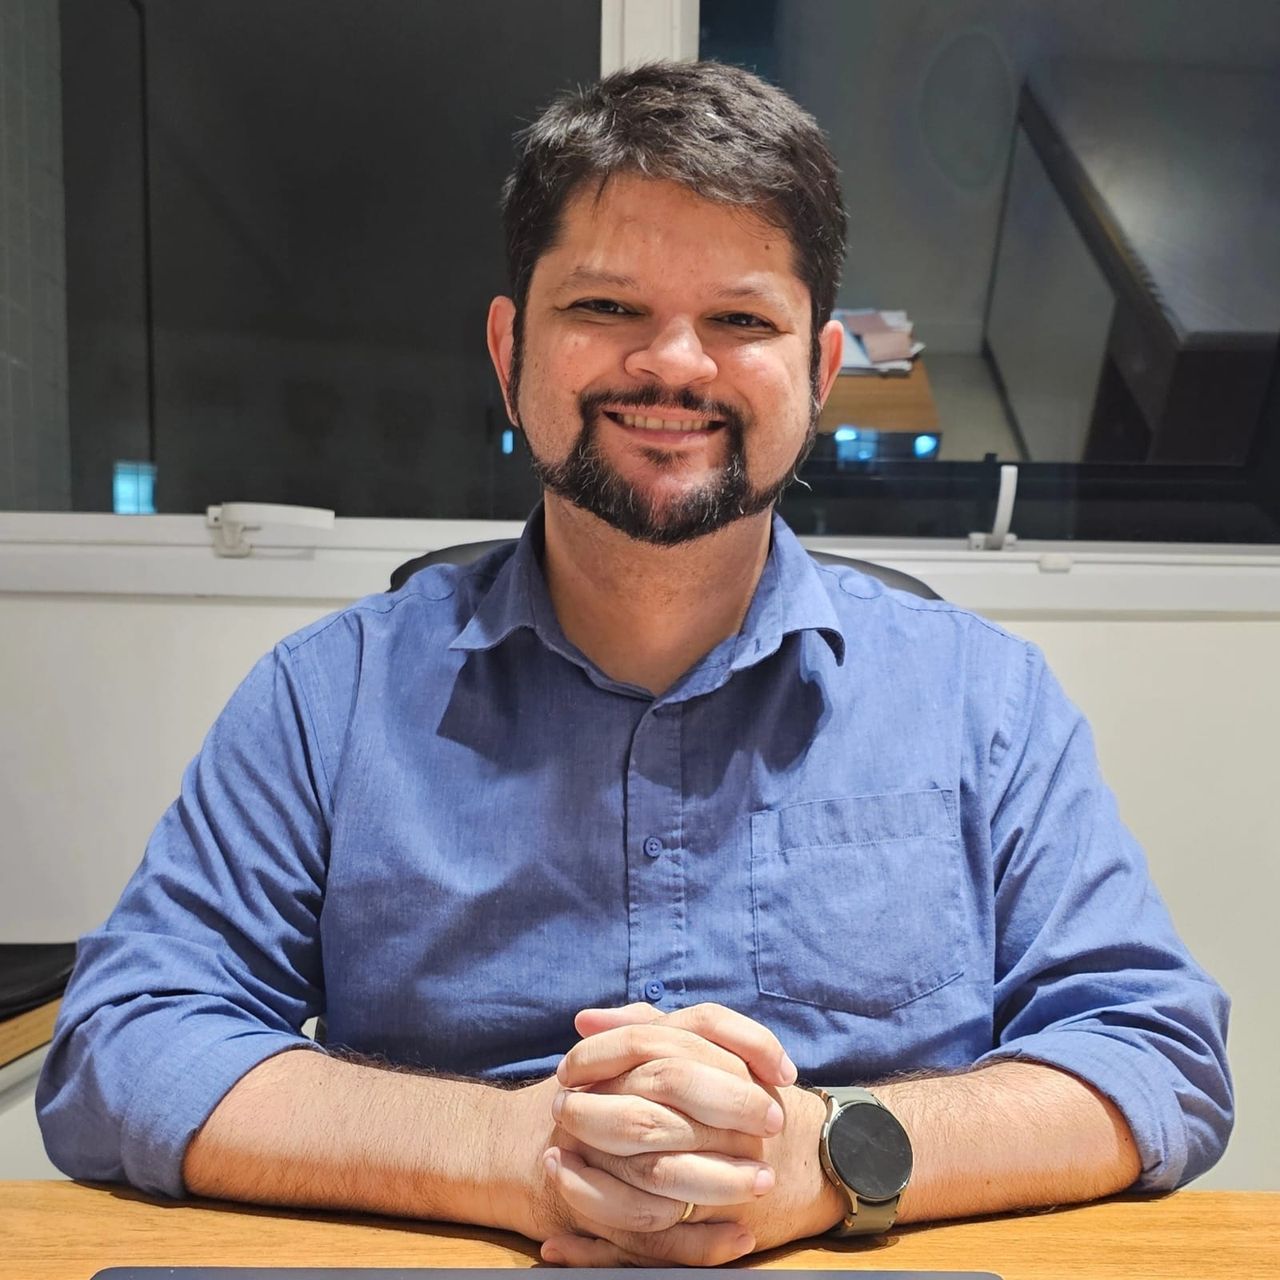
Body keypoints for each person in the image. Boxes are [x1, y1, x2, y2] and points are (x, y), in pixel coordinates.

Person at [37, 61, 1231, 1267]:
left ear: (818, 372)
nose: (673, 364)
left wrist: (823, 1155)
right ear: (510, 348)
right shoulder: (325, 698)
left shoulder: (983, 700)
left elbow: (1153, 1051)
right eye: (606, 306)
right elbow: (122, 1043)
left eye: (740, 320)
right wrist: (503, 1151)